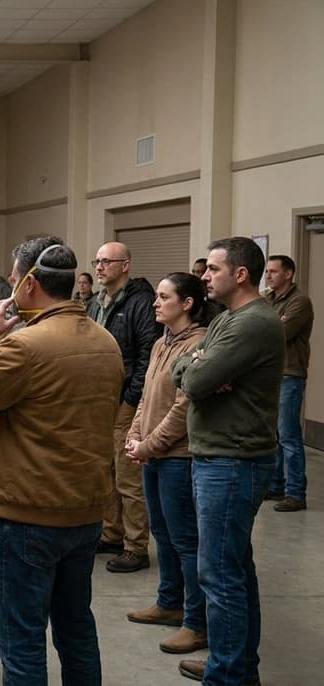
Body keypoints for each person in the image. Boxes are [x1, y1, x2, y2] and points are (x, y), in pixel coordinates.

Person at [0, 236, 123, 685]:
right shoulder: (106, 341)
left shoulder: (25, 346)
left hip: (31, 515)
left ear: (28, 284)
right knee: (76, 628)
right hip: (86, 511)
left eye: (12, 278)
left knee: (23, 641)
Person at [170, 237, 284, 685]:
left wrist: (200, 369)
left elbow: (196, 380)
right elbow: (185, 367)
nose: (203, 275)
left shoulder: (252, 323)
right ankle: (234, 662)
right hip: (219, 457)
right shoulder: (226, 319)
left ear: (240, 274)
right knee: (232, 566)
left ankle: (228, 673)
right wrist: (197, 366)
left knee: (219, 572)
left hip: (233, 460)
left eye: (213, 269)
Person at [123, 272, 211, 655]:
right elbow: (146, 396)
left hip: (177, 456)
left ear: (187, 303)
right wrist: (134, 434)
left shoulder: (199, 343)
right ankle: (169, 602)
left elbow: (182, 407)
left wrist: (149, 445)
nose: (155, 303)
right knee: (161, 533)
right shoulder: (162, 342)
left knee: (185, 540)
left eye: (163, 297)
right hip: (152, 453)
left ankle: (196, 622)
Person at [87, 241, 162, 573]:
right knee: (106, 470)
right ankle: (111, 533)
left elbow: (148, 352)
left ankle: (136, 546)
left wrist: (132, 397)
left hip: (126, 399)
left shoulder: (140, 302)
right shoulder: (96, 301)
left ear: (125, 265)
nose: (100, 267)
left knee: (128, 476)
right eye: (97, 261)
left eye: (107, 261)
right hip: (101, 398)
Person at [263, 254, 313, 512]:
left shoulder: (299, 301)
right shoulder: (267, 299)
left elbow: (279, 333)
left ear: (288, 274)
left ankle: (296, 493)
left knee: (289, 436)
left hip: (290, 374)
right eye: (267, 271)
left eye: (273, 271)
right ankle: (276, 485)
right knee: (273, 434)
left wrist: (269, 324)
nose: (268, 275)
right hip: (270, 374)